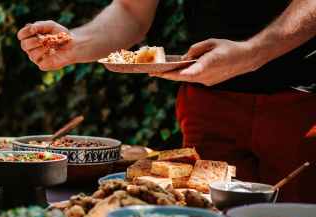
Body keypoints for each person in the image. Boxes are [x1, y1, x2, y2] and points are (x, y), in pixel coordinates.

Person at [18, 0, 316, 203]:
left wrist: (252, 53)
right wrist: (74, 45)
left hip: (301, 104)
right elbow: (130, 11)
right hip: (209, 106)